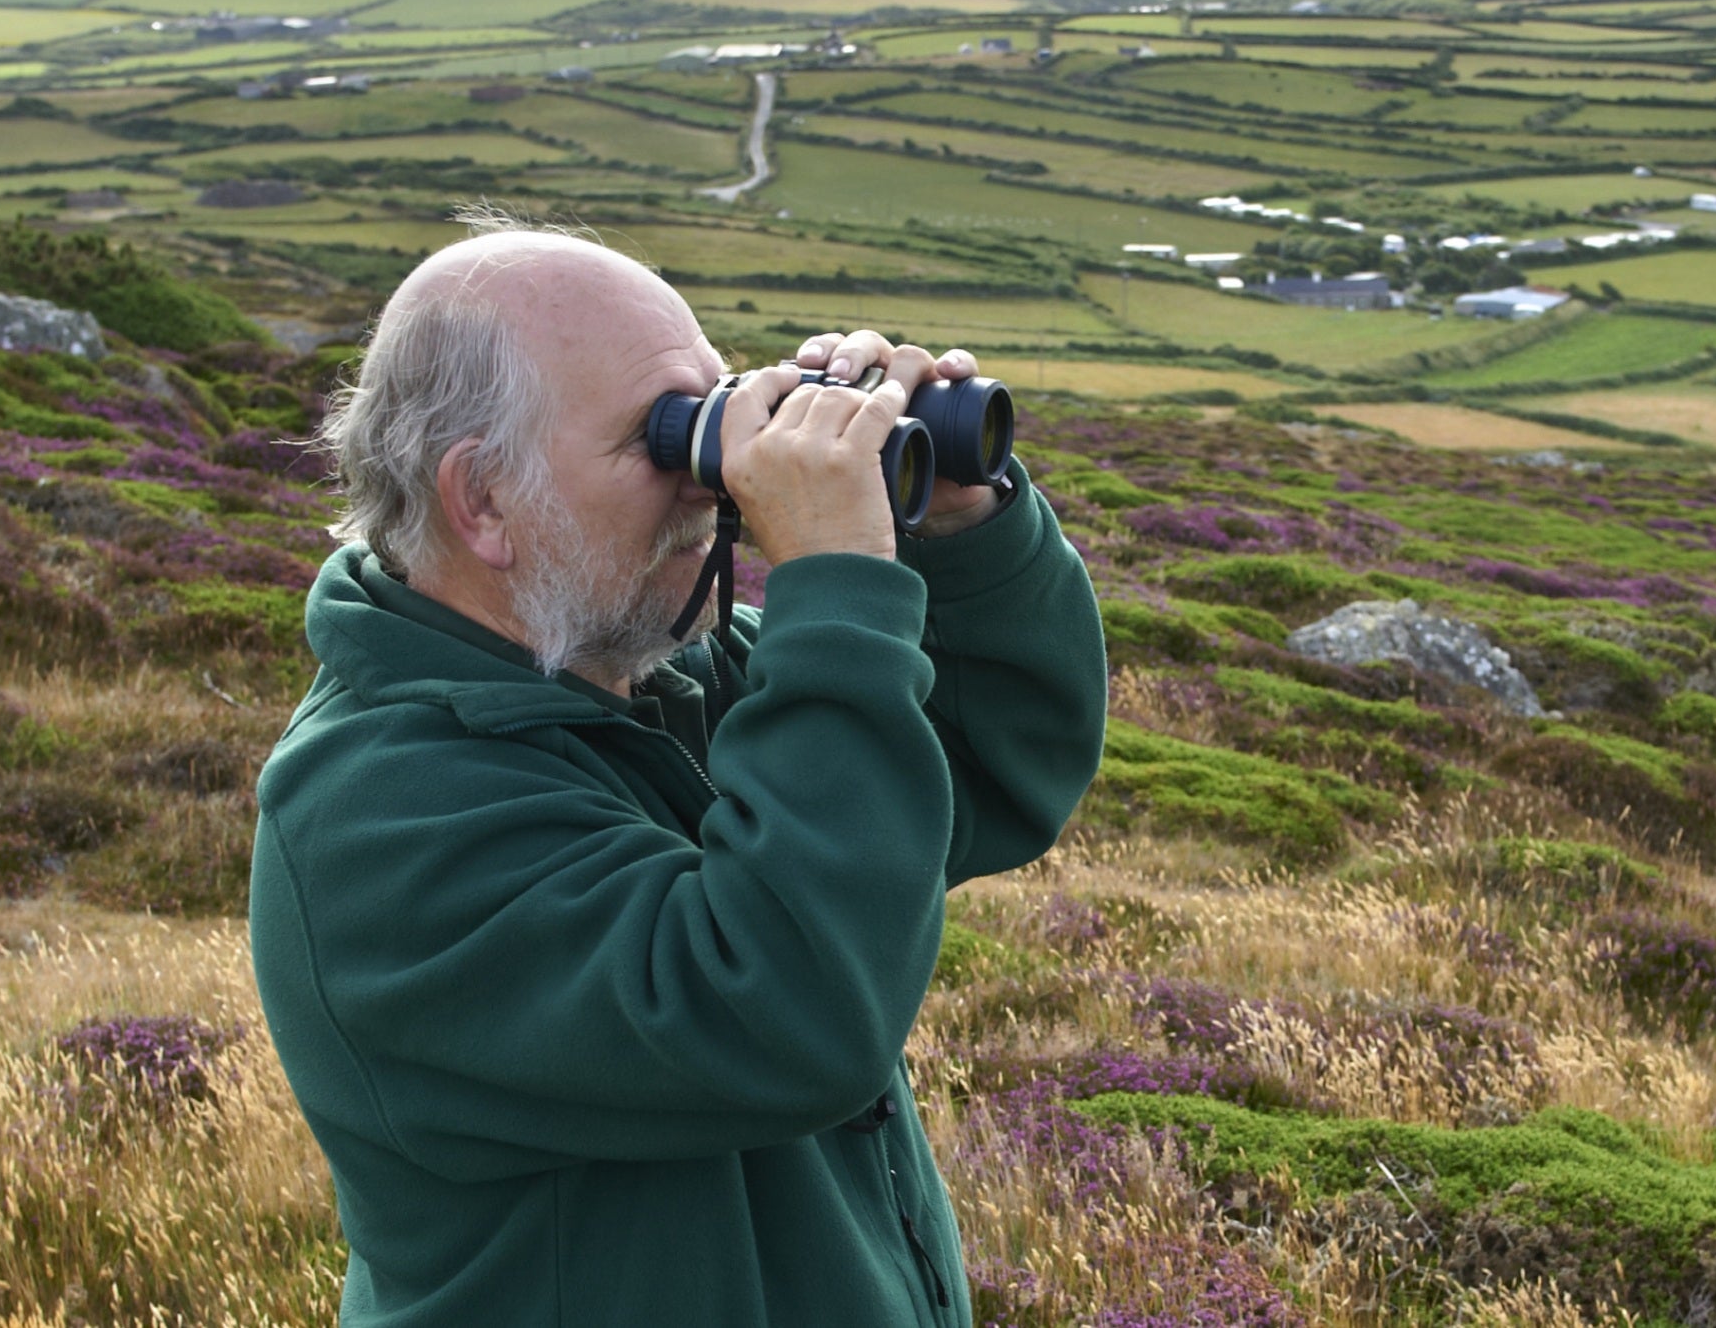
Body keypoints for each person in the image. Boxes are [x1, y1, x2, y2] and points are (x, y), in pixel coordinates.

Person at [250, 227, 1106, 1325]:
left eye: (717, 409)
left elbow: (999, 763)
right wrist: (837, 586)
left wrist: (957, 528)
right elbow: (788, 1009)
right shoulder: (376, 816)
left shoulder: (659, 677)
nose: (714, 486)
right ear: (484, 503)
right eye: (667, 440)